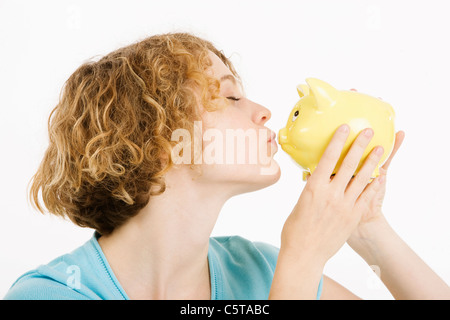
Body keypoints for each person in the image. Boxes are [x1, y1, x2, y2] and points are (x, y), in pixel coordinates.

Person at [4, 33, 449, 300]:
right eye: (231, 97)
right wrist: (303, 260)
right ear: (156, 139)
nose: (263, 112)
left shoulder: (255, 271)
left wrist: (368, 228)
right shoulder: (55, 292)